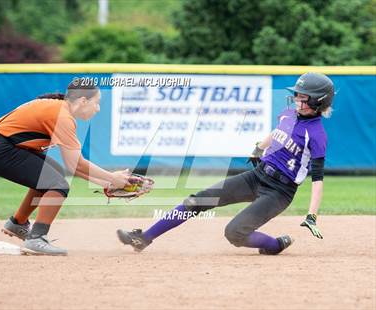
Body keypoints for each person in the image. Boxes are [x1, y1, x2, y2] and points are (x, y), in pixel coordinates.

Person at [117, 72, 335, 255]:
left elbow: (317, 180)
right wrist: (259, 148)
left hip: (279, 192)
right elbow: (277, 132)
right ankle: (144, 238)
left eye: (303, 98)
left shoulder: (316, 135)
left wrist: (311, 215)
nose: (297, 100)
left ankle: (273, 245)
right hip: (257, 176)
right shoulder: (288, 115)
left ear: (319, 101)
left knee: (234, 233)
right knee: (196, 201)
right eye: (296, 95)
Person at [0, 80, 131, 256]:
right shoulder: (63, 116)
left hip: (0, 145)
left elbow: (74, 167)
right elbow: (76, 164)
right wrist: (113, 178)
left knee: (54, 176)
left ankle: (18, 223)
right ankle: (36, 238)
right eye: (96, 103)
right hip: (2, 149)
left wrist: (107, 182)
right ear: (83, 101)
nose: (97, 109)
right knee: (58, 184)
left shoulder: (58, 108)